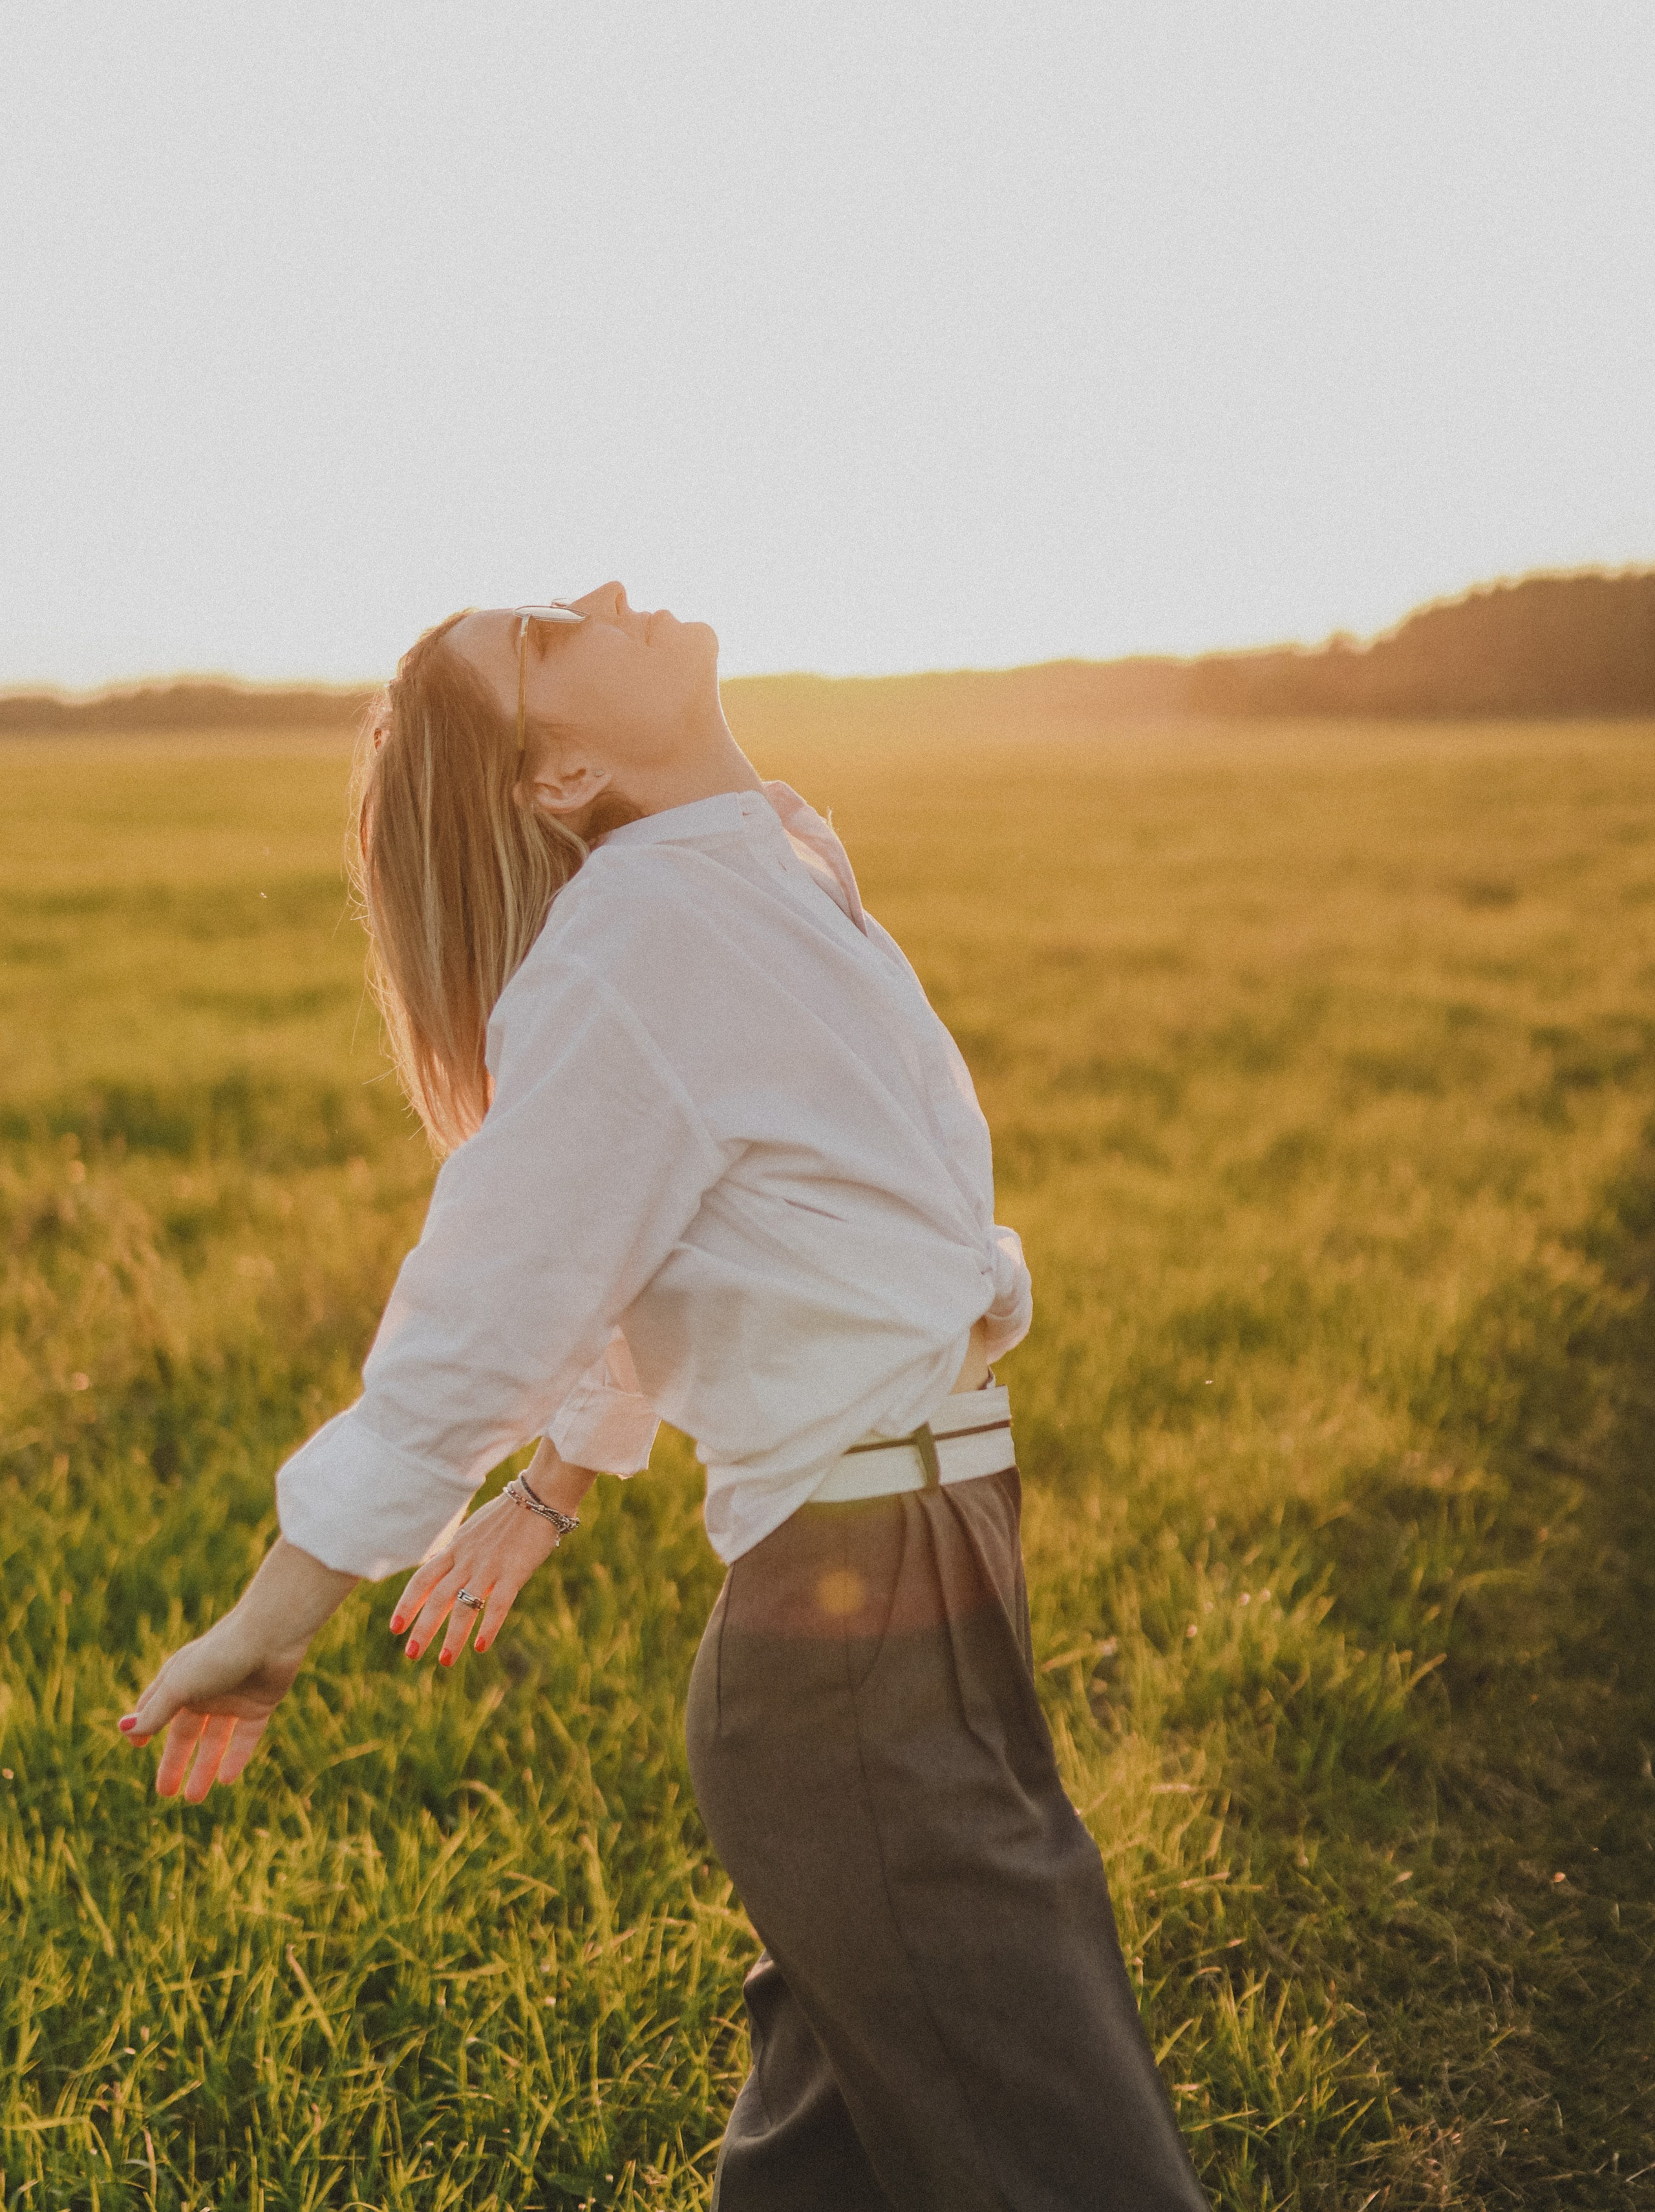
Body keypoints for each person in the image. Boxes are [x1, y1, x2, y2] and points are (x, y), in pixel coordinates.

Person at [120, 584, 1208, 2211]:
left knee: (828, 2160)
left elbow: (711, 1224)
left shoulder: (762, 862)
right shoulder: (636, 942)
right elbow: (483, 1309)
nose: (608, 596)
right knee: (1076, 2164)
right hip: (855, 1650)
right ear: (560, 783)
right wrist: (277, 1615)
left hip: (924, 1577)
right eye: (550, 635)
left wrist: (561, 1483)